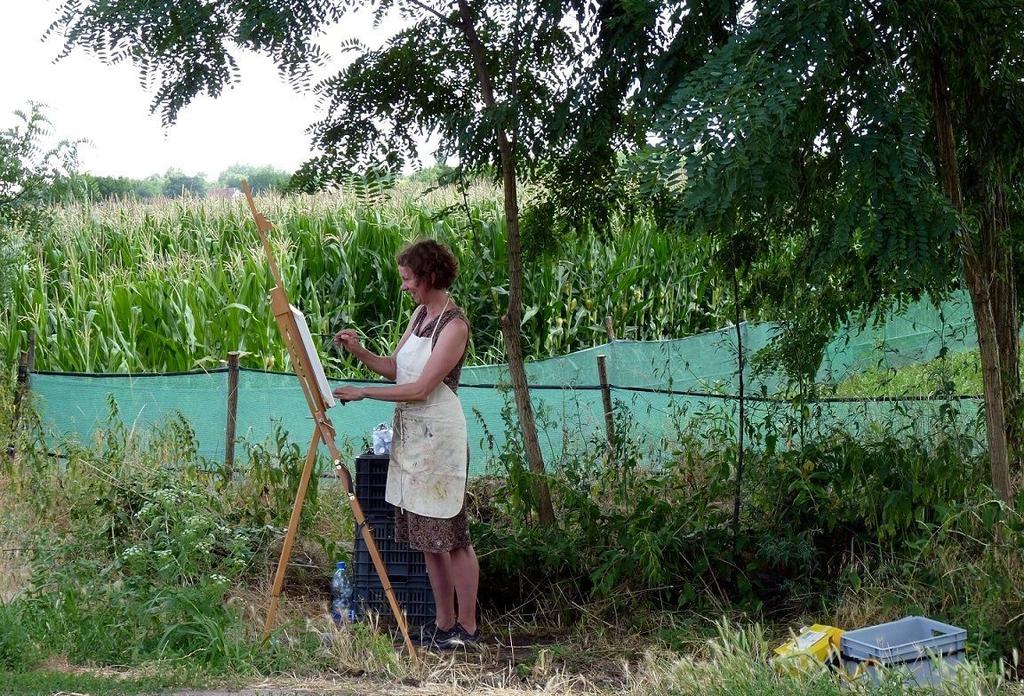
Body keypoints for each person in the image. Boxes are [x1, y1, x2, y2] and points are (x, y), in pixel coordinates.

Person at [333, 238, 480, 650]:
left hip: (441, 441)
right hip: (415, 439)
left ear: (430, 277)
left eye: (409, 279)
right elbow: (397, 370)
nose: (405, 287)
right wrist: (359, 351)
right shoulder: (419, 316)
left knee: (453, 536)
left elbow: (419, 388)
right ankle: (442, 623)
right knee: (427, 538)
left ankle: (466, 628)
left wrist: (363, 393)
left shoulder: (455, 326)